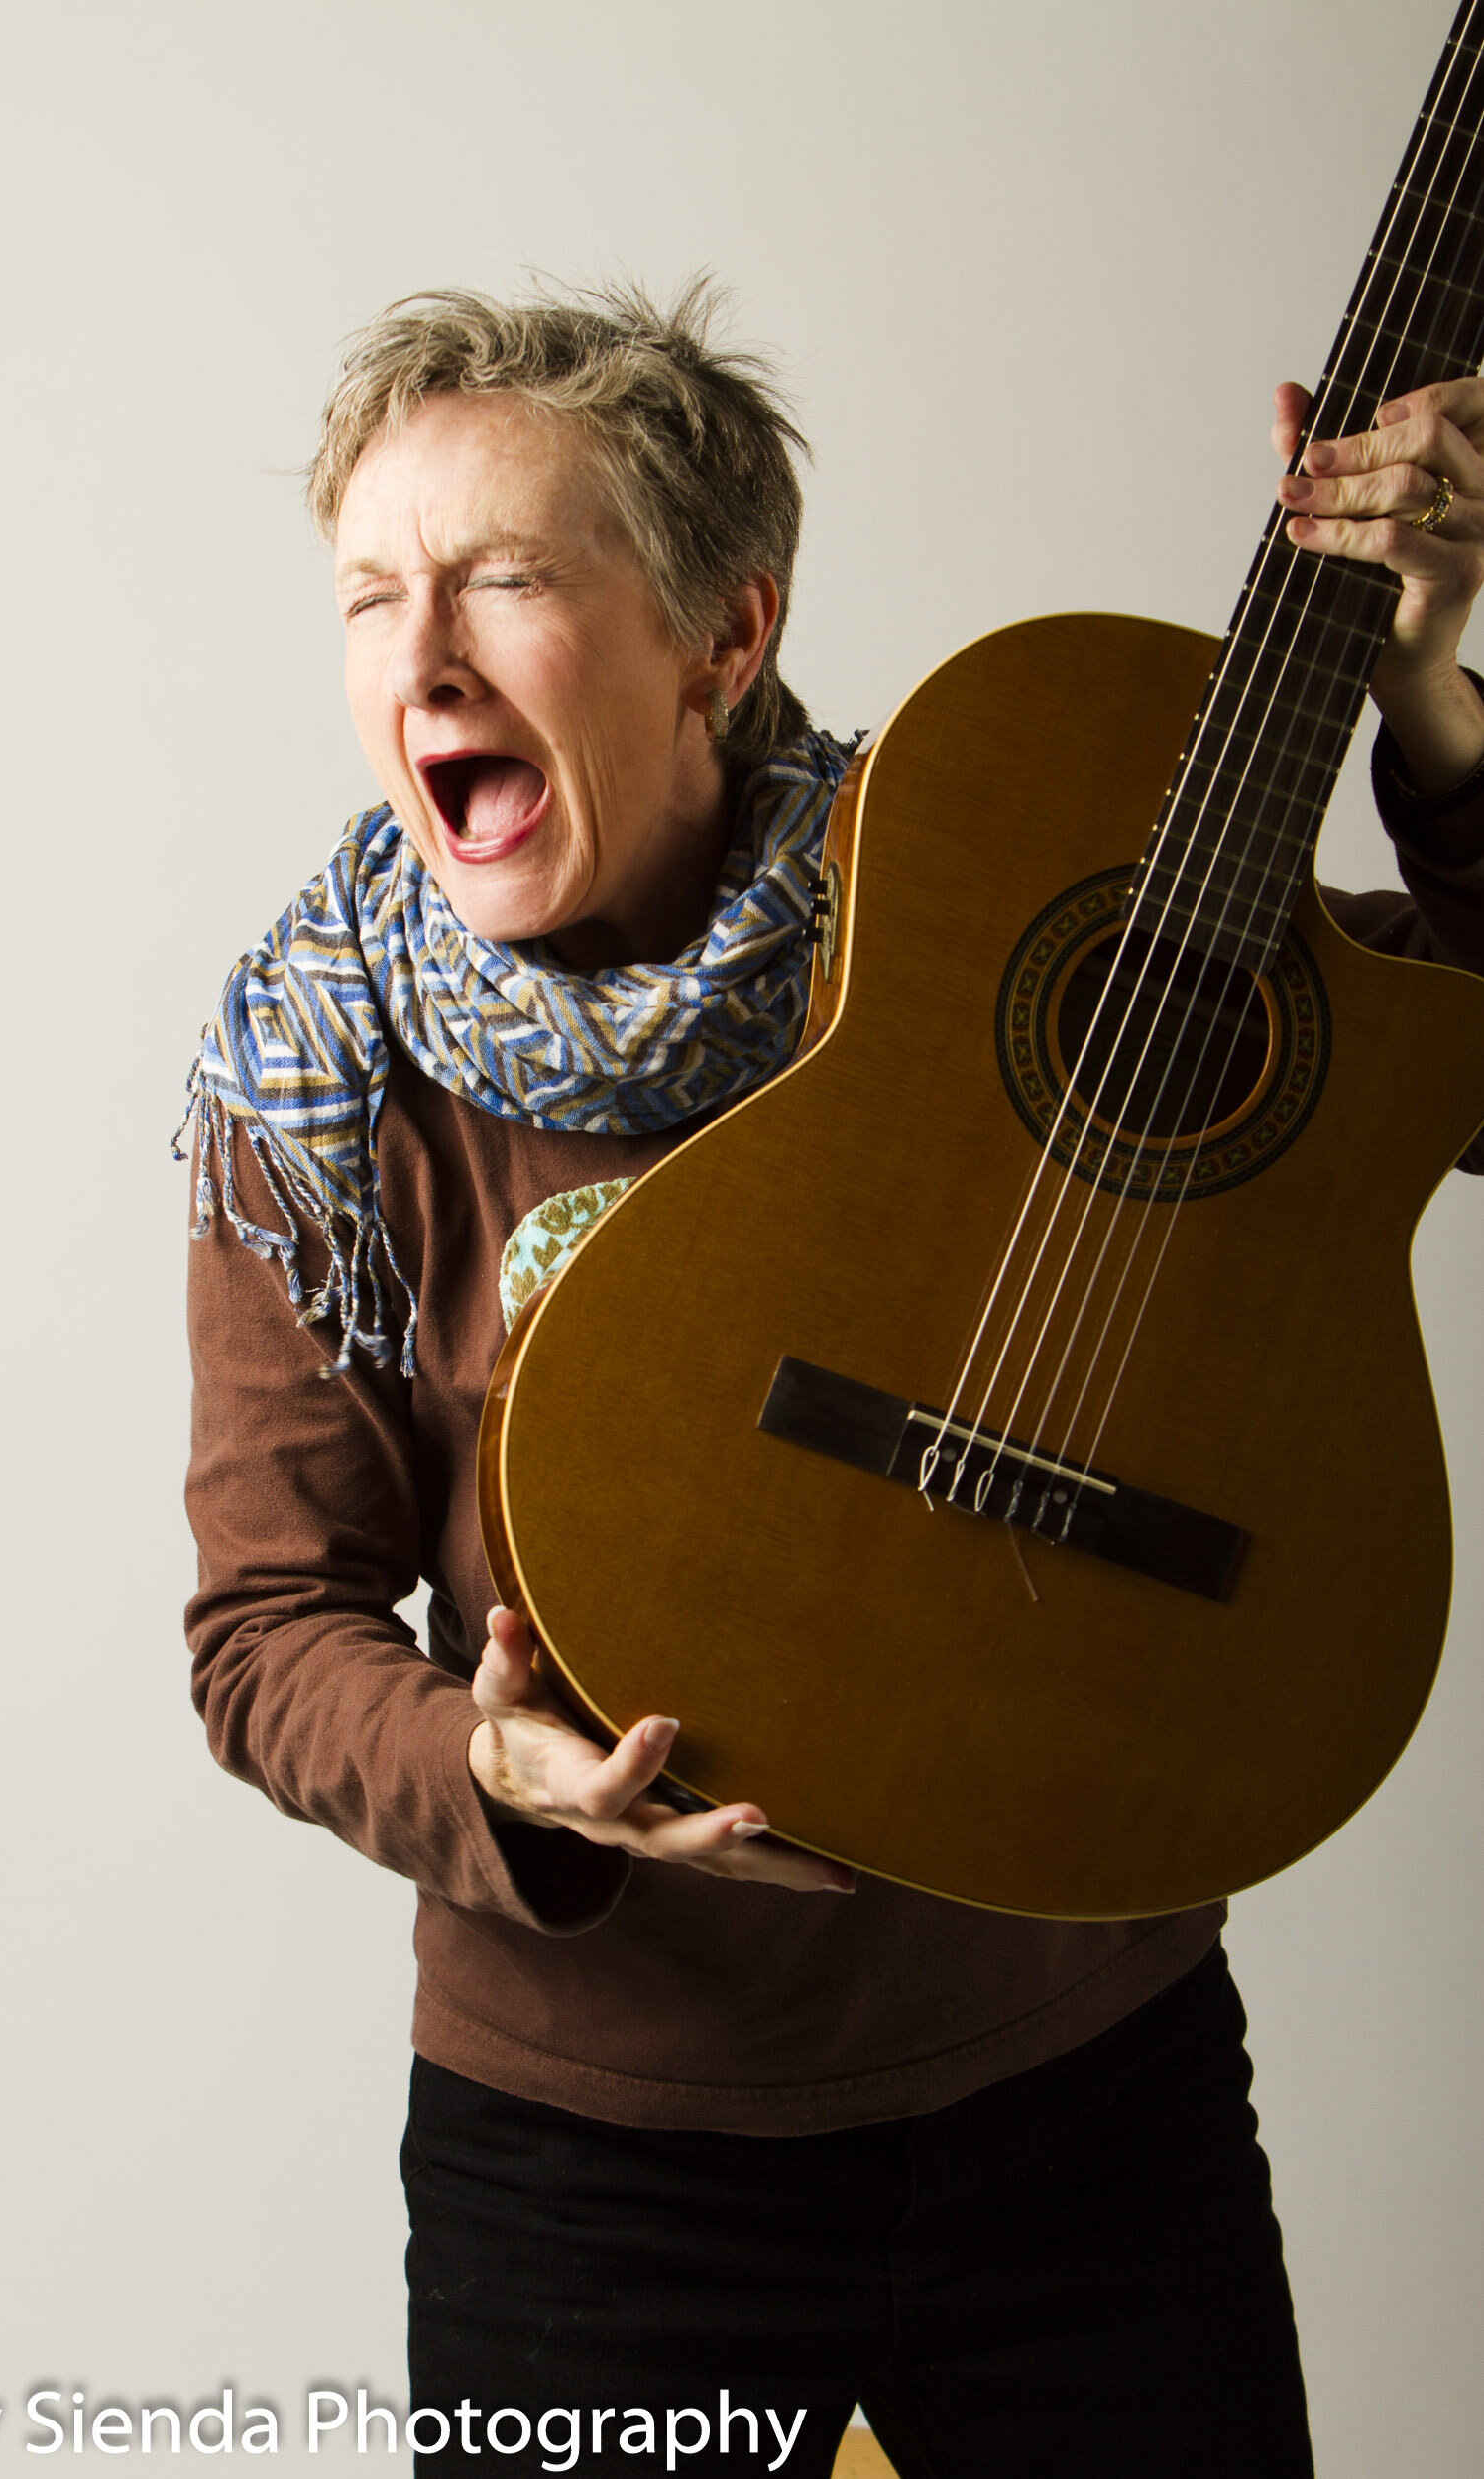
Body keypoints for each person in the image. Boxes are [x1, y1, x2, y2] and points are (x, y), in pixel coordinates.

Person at [181, 284, 1484, 2479]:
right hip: (596, 2170)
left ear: (723, 632)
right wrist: (494, 1763)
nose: (422, 664)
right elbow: (265, 1631)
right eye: (372, 595)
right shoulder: (314, 1086)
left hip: (1094, 2093)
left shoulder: (1005, 887)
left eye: (505, 578)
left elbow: (1434, 1039)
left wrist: (1431, 695)